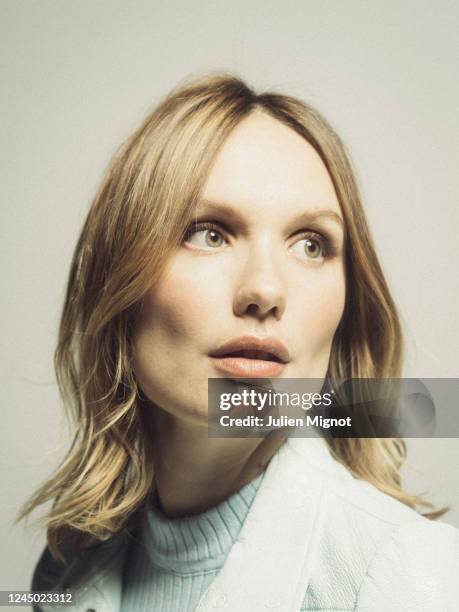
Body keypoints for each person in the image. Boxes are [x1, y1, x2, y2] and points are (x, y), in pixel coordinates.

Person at [20, 74, 459, 611]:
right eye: (209, 233)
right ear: (120, 282)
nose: (266, 290)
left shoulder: (413, 578)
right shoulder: (62, 572)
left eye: (312, 245)